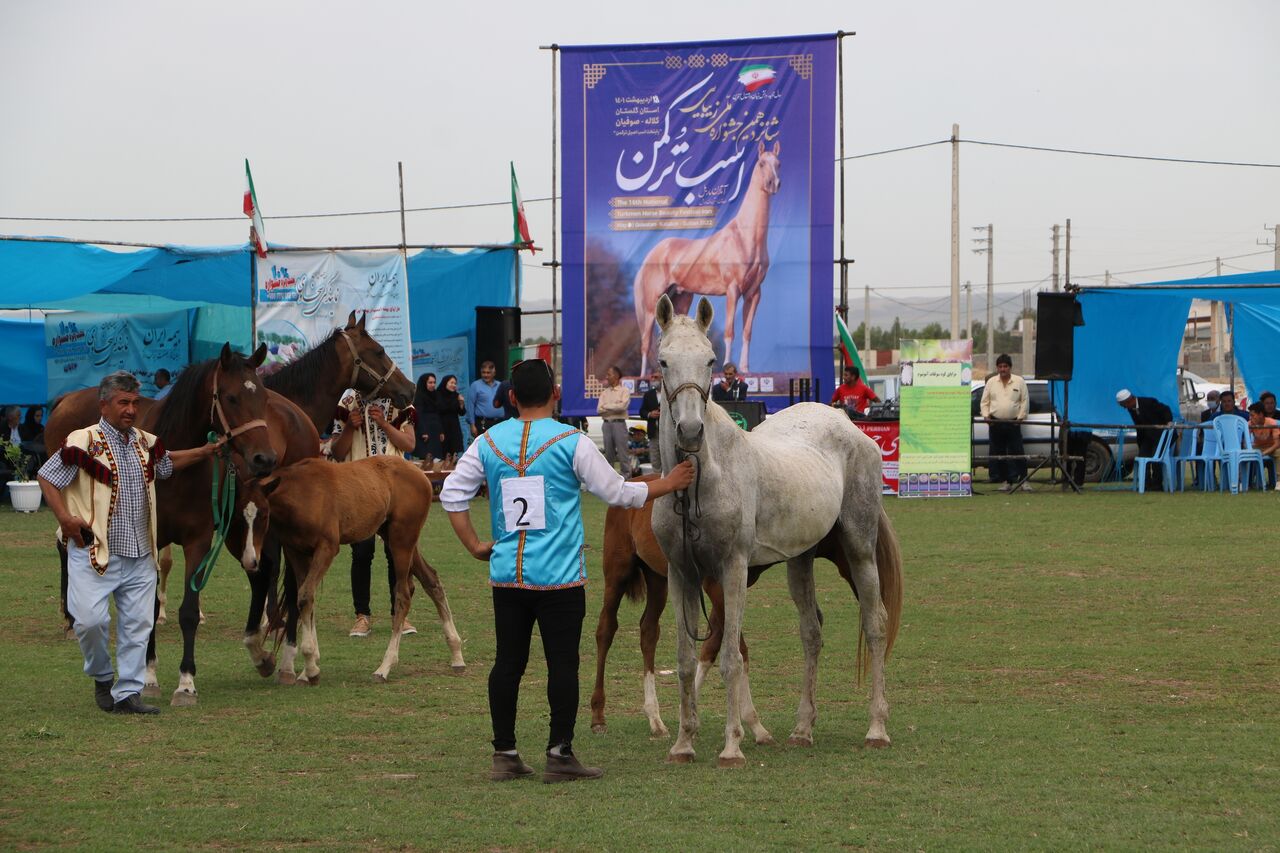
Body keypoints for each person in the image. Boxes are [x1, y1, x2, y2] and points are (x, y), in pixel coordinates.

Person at [439, 358, 695, 783]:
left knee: (507, 663)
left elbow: (452, 495)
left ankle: (504, 752)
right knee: (562, 664)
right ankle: (560, 754)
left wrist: (474, 545)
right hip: (559, 577)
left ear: (512, 398)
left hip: (508, 575)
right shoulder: (570, 441)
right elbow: (616, 491)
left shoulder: (487, 442)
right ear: (555, 395)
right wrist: (669, 482)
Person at [37, 371, 218, 714]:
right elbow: (47, 476)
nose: (131, 410)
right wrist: (64, 518)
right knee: (90, 622)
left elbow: (168, 463)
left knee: (138, 626)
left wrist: (205, 451)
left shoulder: (146, 442)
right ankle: (103, 677)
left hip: (140, 553)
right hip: (95, 551)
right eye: (123, 403)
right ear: (104, 405)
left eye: (135, 402)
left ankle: (128, 694)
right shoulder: (83, 440)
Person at [326, 386, 418, 639]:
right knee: (362, 551)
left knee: (396, 552)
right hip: (359, 488)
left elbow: (409, 443)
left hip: (395, 486)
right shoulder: (348, 401)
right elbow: (337, 451)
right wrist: (349, 428)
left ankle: (399, 613)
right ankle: (362, 616)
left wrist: (385, 425)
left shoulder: (400, 401)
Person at [980, 354, 1030, 492]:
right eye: (1000, 366)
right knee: (999, 453)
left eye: (1005, 366)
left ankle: (1024, 481)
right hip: (995, 423)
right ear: (997, 368)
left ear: (1010, 367)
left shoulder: (1019, 381)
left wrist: (1020, 418)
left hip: (1013, 423)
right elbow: (984, 402)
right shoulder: (991, 382)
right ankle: (1006, 482)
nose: (1003, 369)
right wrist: (986, 416)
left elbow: (1025, 401)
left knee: (1017, 451)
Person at [1116, 389, 1174, 490]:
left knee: (1156, 460)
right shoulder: (1131, 409)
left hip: (1160, 436)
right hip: (1147, 437)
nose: (1125, 408)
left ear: (1130, 401)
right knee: (1142, 458)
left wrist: (1168, 422)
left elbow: (1166, 409)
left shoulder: (1149, 402)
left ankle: (1157, 485)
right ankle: (1145, 484)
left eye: (1124, 405)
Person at [596, 365, 633, 477]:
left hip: (619, 424)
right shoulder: (604, 392)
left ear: (616, 376)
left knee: (623, 453)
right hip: (606, 425)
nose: (606, 377)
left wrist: (607, 407)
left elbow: (622, 407)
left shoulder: (624, 390)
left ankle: (627, 477)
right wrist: (615, 406)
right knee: (609, 453)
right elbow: (599, 410)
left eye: (609, 374)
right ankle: (610, 478)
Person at [412, 373, 444, 471]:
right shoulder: (419, 396)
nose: (433, 385)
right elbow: (418, 415)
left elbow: (438, 415)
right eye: (430, 382)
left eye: (434, 382)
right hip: (425, 431)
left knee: (436, 458)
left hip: (435, 430)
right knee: (425, 457)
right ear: (424, 383)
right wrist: (423, 432)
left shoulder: (435, 395)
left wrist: (441, 431)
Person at [466, 361, 505, 437]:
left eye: (488, 373)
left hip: (499, 423)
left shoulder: (500, 385)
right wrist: (472, 425)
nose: (486, 375)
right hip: (482, 424)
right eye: (483, 372)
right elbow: (470, 405)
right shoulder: (475, 385)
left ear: (494, 373)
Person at [1247, 402, 1280, 489]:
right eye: (1250, 415)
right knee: (1243, 454)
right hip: (1257, 447)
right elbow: (1245, 442)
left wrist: (1264, 453)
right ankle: (1245, 482)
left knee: (1279, 452)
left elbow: (1277, 444)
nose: (1250, 418)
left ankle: (1279, 481)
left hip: (1272, 447)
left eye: (1252, 415)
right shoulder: (1250, 424)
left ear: (1261, 414)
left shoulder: (1272, 423)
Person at [437, 374, 467, 467]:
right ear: (445, 383)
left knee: (454, 453)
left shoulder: (456, 396)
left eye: (455, 383)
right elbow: (437, 412)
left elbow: (462, 412)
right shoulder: (437, 395)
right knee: (443, 454)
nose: (454, 385)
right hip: (442, 426)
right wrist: (439, 430)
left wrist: (461, 403)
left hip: (454, 427)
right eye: (451, 382)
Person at [639, 370, 663, 472]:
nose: (653, 380)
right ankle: (659, 483)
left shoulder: (670, 393)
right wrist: (650, 414)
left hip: (668, 433)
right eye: (652, 377)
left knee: (669, 458)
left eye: (656, 377)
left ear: (663, 378)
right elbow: (642, 411)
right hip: (654, 433)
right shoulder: (648, 394)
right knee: (655, 460)